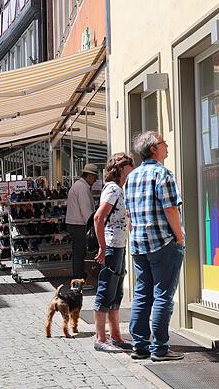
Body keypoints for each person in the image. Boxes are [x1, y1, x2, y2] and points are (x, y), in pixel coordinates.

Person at [125, 131, 185, 362]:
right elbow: (171, 209)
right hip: (163, 242)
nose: (167, 145)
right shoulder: (163, 174)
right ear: (153, 149)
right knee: (162, 296)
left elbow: (129, 213)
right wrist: (179, 237)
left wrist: (136, 235)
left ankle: (139, 346)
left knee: (142, 294)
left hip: (140, 244)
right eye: (163, 142)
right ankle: (159, 349)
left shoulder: (132, 177)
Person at [92, 153, 136, 353]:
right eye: (130, 165)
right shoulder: (113, 189)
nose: (133, 168)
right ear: (120, 168)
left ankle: (116, 335)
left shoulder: (119, 189)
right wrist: (102, 246)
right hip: (111, 246)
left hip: (118, 246)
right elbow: (98, 217)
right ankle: (100, 338)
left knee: (116, 292)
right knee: (106, 291)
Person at [65, 163, 99, 284]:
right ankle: (79, 279)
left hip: (75, 224)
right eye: (94, 177)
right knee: (80, 253)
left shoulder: (79, 186)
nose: (96, 180)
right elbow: (86, 212)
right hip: (79, 225)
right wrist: (93, 226)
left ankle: (79, 278)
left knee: (79, 253)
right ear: (89, 176)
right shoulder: (83, 188)